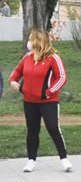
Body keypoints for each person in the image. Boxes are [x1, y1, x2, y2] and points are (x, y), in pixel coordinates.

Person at [9, 29, 71, 172]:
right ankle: (31, 160)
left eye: (31, 39)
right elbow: (16, 72)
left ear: (38, 40)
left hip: (48, 102)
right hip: (29, 101)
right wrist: (12, 81)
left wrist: (48, 93)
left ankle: (64, 159)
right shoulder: (27, 57)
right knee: (32, 131)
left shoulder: (53, 57)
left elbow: (62, 77)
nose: (29, 42)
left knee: (53, 128)